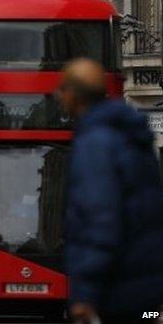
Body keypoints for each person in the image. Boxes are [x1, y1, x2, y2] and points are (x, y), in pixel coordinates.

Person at [57, 58, 163, 323]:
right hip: (145, 290)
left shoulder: (96, 142)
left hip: (116, 292)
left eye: (62, 90)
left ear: (73, 94)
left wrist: (85, 294)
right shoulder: (131, 137)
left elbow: (100, 221)